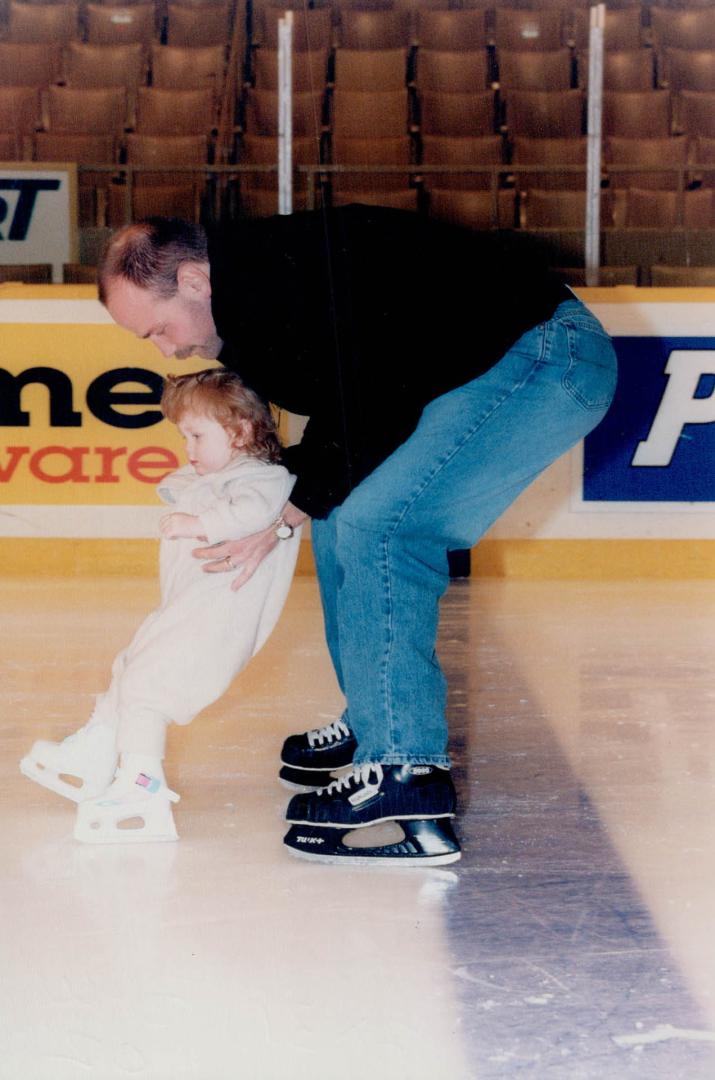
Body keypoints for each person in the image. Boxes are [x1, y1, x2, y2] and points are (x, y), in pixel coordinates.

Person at [95, 207, 618, 864]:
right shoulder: (255, 300)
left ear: (196, 279)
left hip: (542, 354)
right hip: (471, 364)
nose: (166, 350)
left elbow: (376, 397)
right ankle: (376, 718)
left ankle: (405, 769)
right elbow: (345, 414)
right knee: (339, 512)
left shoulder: (277, 279)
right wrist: (283, 500)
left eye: (159, 329)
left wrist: (287, 506)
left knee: (383, 528)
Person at [20, 369, 300, 843]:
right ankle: (95, 751)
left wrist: (199, 522)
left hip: (217, 623)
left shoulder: (263, 478)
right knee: (128, 670)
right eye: (182, 435)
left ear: (241, 431)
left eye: (196, 435)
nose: (187, 448)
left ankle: (142, 784)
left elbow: (252, 511)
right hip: (184, 612)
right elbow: (187, 486)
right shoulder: (219, 476)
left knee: (150, 690)